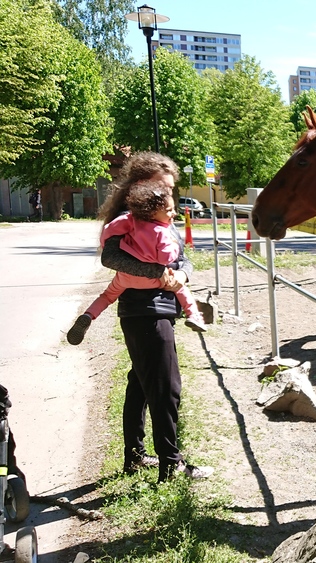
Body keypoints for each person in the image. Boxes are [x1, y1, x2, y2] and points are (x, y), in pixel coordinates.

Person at [90, 151, 213, 481]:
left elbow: (184, 260)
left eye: (171, 188)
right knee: (166, 388)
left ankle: (135, 457)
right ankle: (171, 465)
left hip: (160, 308)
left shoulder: (165, 219)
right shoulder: (128, 221)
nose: (169, 195)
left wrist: (181, 277)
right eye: (163, 187)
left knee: (141, 384)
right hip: (142, 312)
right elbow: (112, 259)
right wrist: (158, 273)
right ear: (141, 187)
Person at [67, 179, 207, 346]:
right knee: (181, 289)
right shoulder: (161, 231)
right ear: (153, 212)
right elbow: (165, 258)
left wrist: (105, 243)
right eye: (169, 210)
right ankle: (194, 316)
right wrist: (174, 247)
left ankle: (89, 315)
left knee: (107, 296)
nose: (173, 213)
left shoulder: (130, 221)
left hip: (126, 277)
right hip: (155, 280)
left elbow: (109, 230)